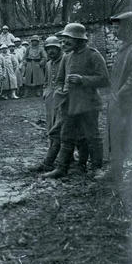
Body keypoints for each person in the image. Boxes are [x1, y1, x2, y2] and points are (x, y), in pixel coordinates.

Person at [43, 23, 110, 179]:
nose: (64, 43)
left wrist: (82, 80)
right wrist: (60, 91)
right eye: (64, 39)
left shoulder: (93, 55)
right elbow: (59, 80)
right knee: (66, 137)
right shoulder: (67, 57)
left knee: (92, 137)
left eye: (68, 39)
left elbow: (105, 80)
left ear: (80, 40)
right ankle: (61, 168)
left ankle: (96, 168)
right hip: (69, 105)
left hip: (88, 104)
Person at [102, 11, 132, 182]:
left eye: (116, 28)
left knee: (128, 134)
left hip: (128, 102)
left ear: (128, 28)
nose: (113, 32)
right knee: (116, 134)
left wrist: (121, 94)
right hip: (118, 100)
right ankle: (116, 170)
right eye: (113, 28)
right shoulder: (124, 47)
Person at [29, 36, 64, 173]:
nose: (51, 51)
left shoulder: (65, 61)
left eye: (53, 48)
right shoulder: (49, 64)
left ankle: (53, 160)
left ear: (58, 48)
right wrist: (45, 91)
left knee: (59, 128)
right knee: (50, 126)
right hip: (50, 99)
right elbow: (46, 81)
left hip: (62, 99)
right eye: (48, 49)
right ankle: (55, 157)